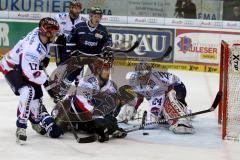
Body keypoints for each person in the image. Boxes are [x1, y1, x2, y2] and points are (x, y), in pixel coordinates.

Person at [0, 17, 63, 144]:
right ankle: (21, 126)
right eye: (54, 32)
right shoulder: (32, 49)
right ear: (47, 32)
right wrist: (48, 87)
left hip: (24, 64)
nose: (56, 34)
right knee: (27, 91)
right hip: (11, 67)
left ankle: (35, 122)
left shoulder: (39, 33)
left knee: (37, 99)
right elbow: (29, 74)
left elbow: (44, 49)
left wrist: (44, 59)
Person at [52, 59, 127, 142]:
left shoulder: (111, 86)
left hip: (88, 115)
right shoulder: (86, 82)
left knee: (108, 121)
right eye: (106, 70)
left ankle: (82, 126)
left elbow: (109, 107)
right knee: (55, 131)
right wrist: (98, 118)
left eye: (109, 69)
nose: (108, 72)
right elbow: (82, 103)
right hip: (70, 110)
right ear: (98, 71)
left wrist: (119, 106)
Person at [124, 62, 194, 134]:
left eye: (145, 74)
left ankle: (182, 120)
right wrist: (134, 109)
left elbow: (166, 92)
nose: (143, 77)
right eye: (140, 75)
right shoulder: (134, 80)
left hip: (177, 86)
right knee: (158, 117)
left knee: (169, 101)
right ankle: (181, 111)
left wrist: (158, 111)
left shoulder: (155, 81)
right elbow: (140, 96)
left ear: (149, 73)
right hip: (161, 91)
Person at [63, 6, 113, 86]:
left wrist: (108, 50)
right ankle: (62, 91)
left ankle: (99, 93)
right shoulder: (79, 26)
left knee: (100, 77)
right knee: (72, 74)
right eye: (95, 16)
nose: (97, 19)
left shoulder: (103, 30)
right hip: (80, 54)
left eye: (99, 17)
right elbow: (71, 39)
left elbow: (108, 42)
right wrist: (70, 52)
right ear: (90, 16)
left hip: (95, 56)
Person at [54, 0, 86, 65]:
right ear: (70, 8)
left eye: (79, 9)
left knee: (76, 70)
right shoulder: (59, 17)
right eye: (76, 8)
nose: (78, 11)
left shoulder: (84, 21)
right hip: (62, 46)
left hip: (76, 47)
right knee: (61, 69)